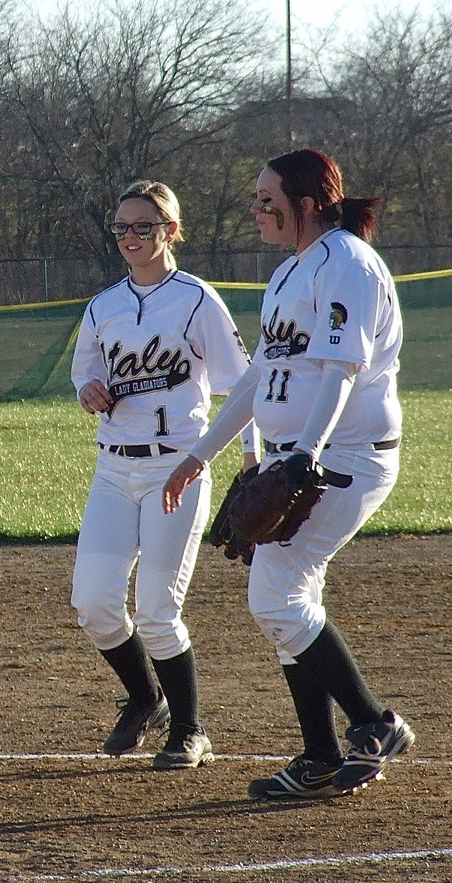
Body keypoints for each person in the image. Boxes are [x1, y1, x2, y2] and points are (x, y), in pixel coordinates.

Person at [163, 148, 414, 798]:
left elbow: (341, 370)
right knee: (290, 602)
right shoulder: (288, 274)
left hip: (343, 457)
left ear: (307, 203)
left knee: (275, 595)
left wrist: (305, 452)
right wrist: (201, 454)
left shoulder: (348, 266)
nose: (256, 207)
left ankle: (373, 723)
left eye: (267, 196)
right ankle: (321, 755)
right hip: (299, 457)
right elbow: (257, 378)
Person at [71, 181, 258, 770]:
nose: (131, 237)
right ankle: (144, 696)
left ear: (170, 232)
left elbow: (242, 385)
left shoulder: (197, 301)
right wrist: (88, 390)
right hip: (113, 467)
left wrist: (252, 460)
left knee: (156, 610)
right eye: (122, 227)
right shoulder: (104, 305)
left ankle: (190, 728)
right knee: (95, 604)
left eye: (143, 227)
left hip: (177, 468)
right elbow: (84, 375)